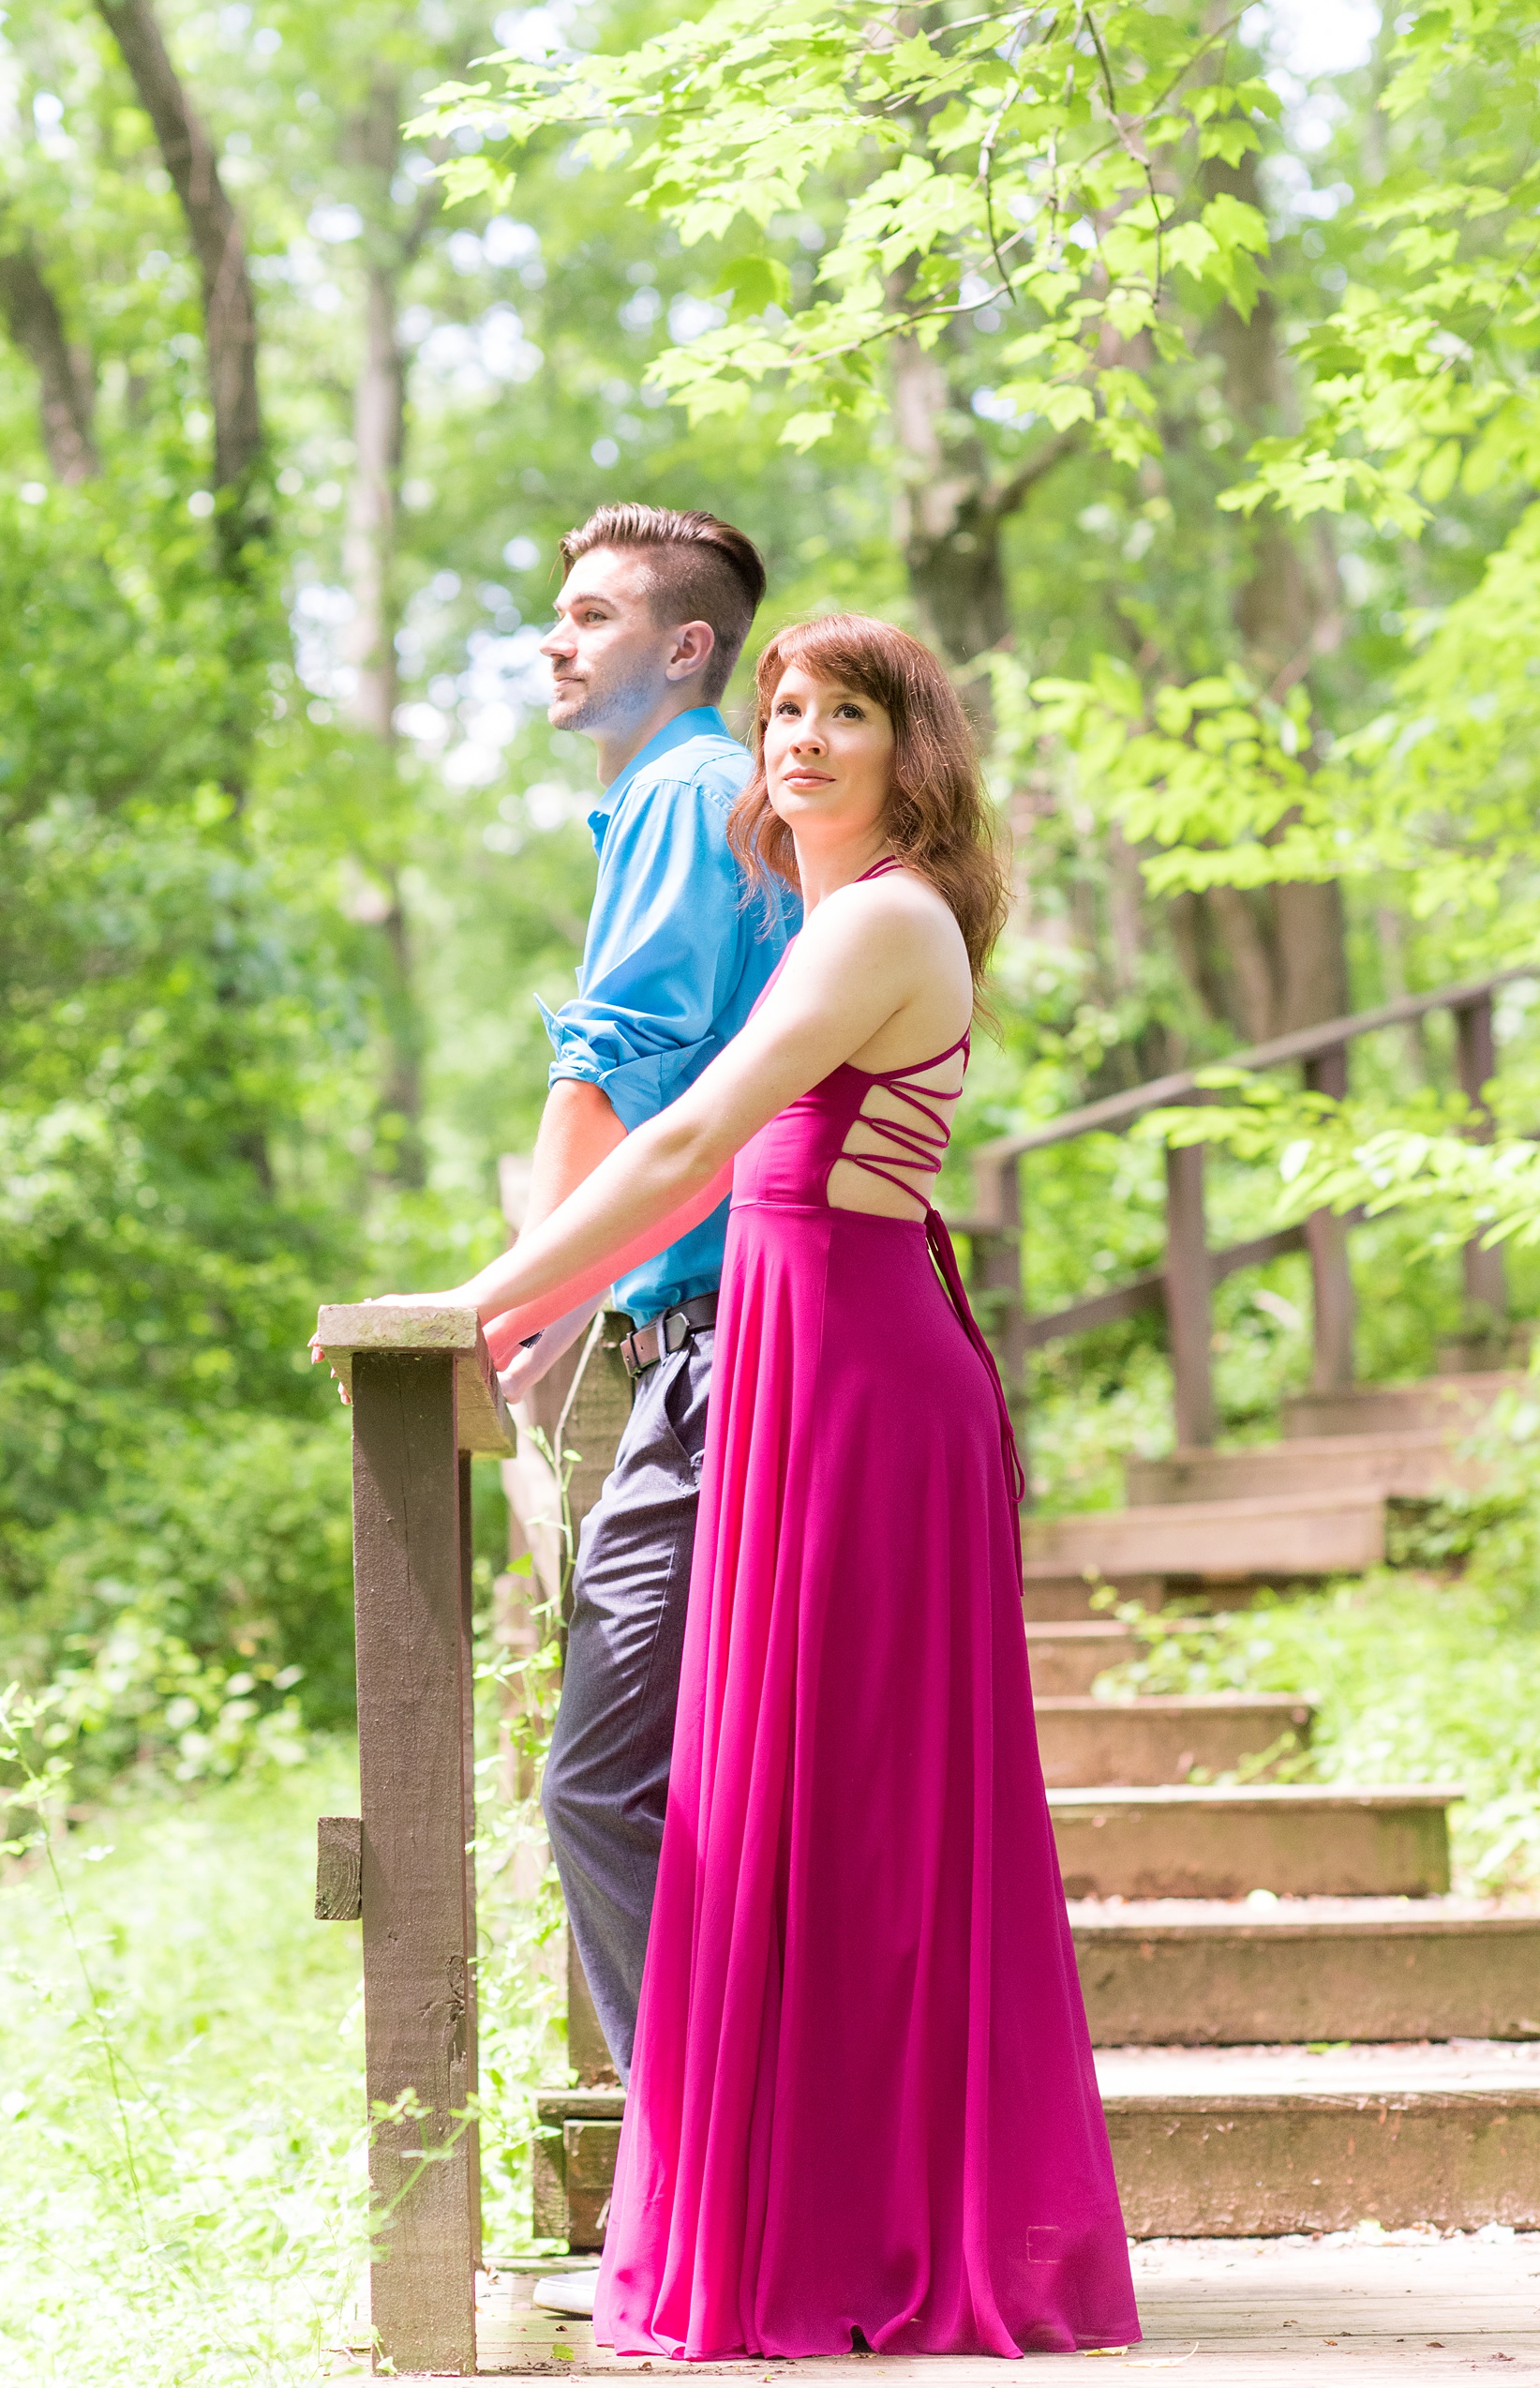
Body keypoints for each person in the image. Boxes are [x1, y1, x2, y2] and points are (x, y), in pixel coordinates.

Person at [417, 613, 1140, 2359]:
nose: (801, 740)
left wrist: (482, 1300)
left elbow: (681, 1148)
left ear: (914, 751)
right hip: (806, 1378)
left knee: (853, 1822)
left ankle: (853, 2225)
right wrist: (543, 1303)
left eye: (846, 714)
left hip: (863, 1399)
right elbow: (690, 1188)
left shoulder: (882, 918)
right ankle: (807, 2203)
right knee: (780, 1819)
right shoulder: (837, 921)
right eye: (783, 712)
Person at [509, 504, 800, 2110]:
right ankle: (734, 2155)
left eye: (592, 614)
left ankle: (695, 2159)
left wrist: (497, 1309)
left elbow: (611, 1066)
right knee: (682, 1783)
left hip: (722, 1352)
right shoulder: (693, 805)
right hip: (696, 1322)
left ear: (686, 649)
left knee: (604, 1788)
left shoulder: (688, 795)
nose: (555, 639)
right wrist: (570, 1311)